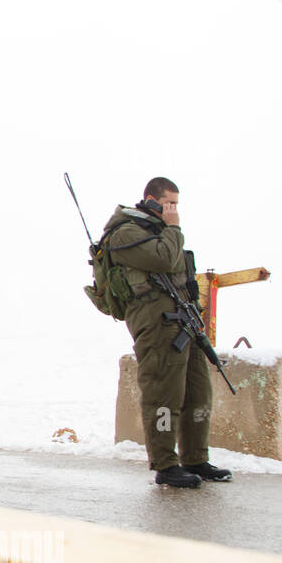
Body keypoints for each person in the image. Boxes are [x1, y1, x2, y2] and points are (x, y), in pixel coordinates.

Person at [103, 177, 233, 488]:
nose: (173, 210)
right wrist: (174, 228)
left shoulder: (159, 233)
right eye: (168, 203)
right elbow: (163, 258)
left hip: (182, 321)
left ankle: (195, 458)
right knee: (163, 394)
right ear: (150, 199)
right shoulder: (125, 233)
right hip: (155, 323)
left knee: (198, 392)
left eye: (176, 204)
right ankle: (164, 463)